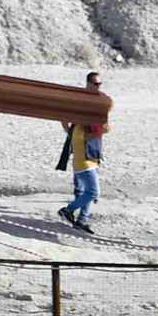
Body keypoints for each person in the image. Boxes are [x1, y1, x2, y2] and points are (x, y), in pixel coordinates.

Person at [57, 72, 110, 234]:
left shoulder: (89, 109)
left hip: (91, 159)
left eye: (100, 84)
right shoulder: (82, 113)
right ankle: (68, 210)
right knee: (92, 192)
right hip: (84, 161)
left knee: (87, 193)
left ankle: (82, 220)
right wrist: (102, 131)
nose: (98, 87)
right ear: (88, 83)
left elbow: (70, 128)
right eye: (95, 84)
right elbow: (84, 135)